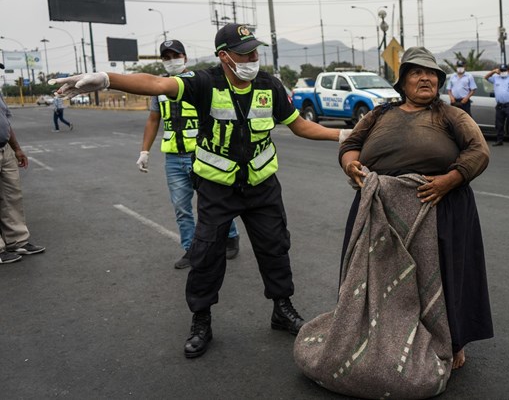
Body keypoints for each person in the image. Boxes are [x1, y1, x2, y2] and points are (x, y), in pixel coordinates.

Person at [50, 23, 347, 358]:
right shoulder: (204, 82)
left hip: (262, 186)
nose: (252, 58)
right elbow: (156, 83)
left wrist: (341, 136)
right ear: (224, 57)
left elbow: (298, 124)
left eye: (255, 51)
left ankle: (282, 308)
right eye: (244, 53)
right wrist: (107, 79)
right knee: (206, 255)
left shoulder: (269, 86)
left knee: (275, 248)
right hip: (217, 188)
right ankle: (201, 319)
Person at [340, 47, 493, 370]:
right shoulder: (380, 114)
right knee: (378, 278)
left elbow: (478, 151)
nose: (425, 78)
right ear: (402, 82)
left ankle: (452, 343)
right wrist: (351, 165)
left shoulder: (451, 115)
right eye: (416, 72)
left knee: (444, 276)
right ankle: (376, 338)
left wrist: (448, 180)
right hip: (381, 207)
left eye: (432, 74)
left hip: (438, 204)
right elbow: (351, 144)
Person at [136, 39, 241, 269]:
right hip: (173, 159)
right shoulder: (160, 89)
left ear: (185, 58)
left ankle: (231, 236)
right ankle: (191, 250)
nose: (170, 61)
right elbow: (154, 120)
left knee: (214, 201)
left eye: (175, 56)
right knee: (181, 207)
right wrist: (145, 150)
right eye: (166, 57)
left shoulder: (200, 83)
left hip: (202, 154)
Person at [0, 82, 46, 264]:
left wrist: (17, 148)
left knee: (12, 197)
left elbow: (5, 122)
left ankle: (17, 241)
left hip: (5, 149)